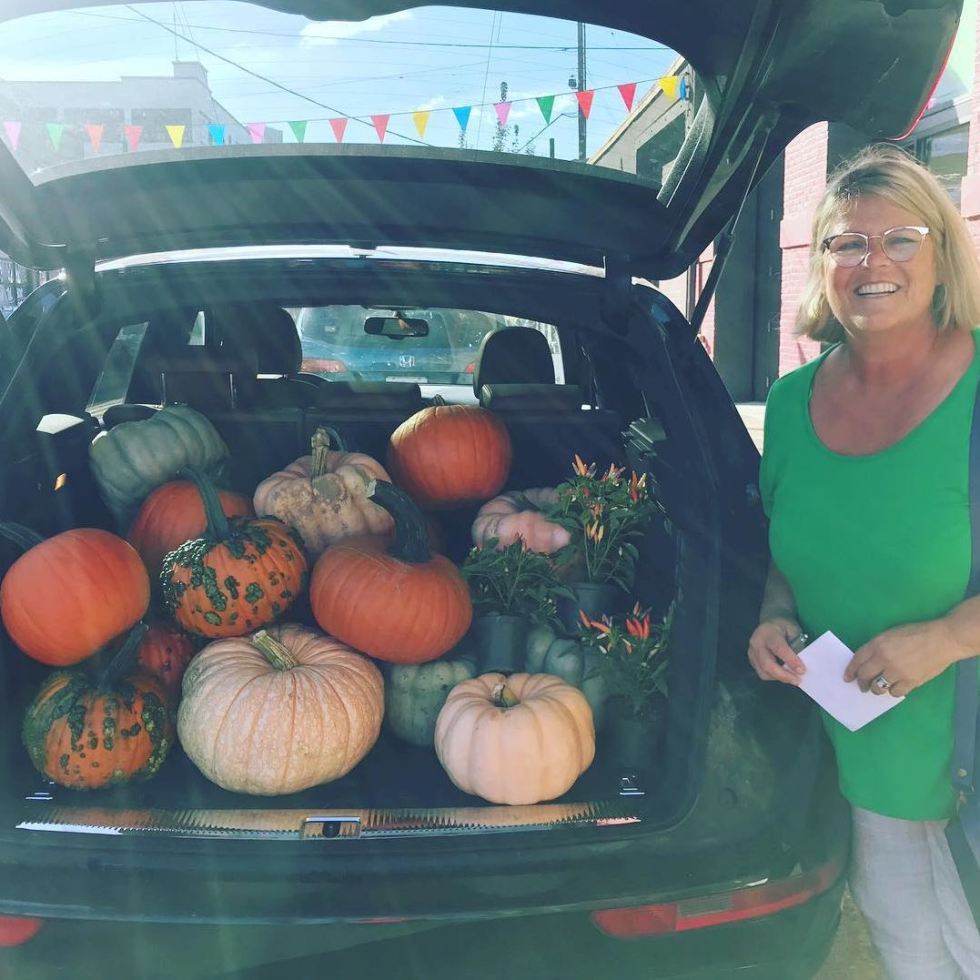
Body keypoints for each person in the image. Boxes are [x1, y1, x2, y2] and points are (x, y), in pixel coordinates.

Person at [748, 144, 980, 979]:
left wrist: (947, 638)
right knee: (917, 963)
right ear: (822, 265)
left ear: (941, 253)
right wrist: (774, 615)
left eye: (900, 239)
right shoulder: (790, 402)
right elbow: (789, 548)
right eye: (848, 243)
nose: (873, 263)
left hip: (969, 761)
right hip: (869, 767)